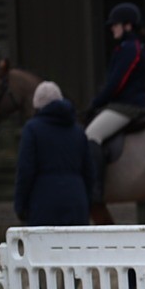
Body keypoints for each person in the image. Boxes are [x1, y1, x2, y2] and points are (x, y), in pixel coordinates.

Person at [85, 2, 145, 199]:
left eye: (116, 24)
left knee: (91, 135)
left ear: (128, 26)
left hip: (129, 105)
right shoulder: (124, 47)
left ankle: (95, 189)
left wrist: (96, 102)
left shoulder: (130, 48)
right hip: (122, 102)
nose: (112, 28)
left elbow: (116, 83)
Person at [14, 81, 96, 226]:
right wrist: (88, 202)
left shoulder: (32, 129)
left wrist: (20, 205)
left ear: (37, 105)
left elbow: (25, 170)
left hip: (42, 203)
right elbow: (89, 172)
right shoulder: (78, 131)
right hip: (77, 203)